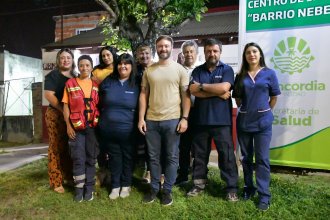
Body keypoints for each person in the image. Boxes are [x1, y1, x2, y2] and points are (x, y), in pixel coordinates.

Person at [138, 35, 190, 206]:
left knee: (171, 157)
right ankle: (154, 189)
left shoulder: (180, 70)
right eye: (160, 46)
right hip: (151, 121)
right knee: (153, 157)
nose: (163, 49)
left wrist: (184, 118)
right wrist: (141, 119)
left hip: (173, 120)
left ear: (171, 47)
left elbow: (186, 96)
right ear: (156, 48)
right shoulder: (149, 71)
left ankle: (167, 190)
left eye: (166, 46)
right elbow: (143, 95)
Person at [188, 38, 239, 202]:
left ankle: (231, 188)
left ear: (220, 52)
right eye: (209, 51)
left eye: (215, 51)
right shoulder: (197, 71)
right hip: (200, 121)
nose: (212, 54)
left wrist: (203, 87)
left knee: (227, 156)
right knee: (200, 155)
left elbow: (225, 88)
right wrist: (215, 91)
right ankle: (198, 184)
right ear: (204, 52)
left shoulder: (227, 69)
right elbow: (193, 90)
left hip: (222, 122)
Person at [233, 42, 281, 211]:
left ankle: (263, 195)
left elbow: (274, 97)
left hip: (263, 123)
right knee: (246, 158)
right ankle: (248, 188)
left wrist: (264, 111)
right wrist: (248, 109)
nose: (251, 55)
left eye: (254, 51)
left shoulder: (269, 74)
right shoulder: (240, 76)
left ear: (260, 54)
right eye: (248, 52)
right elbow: (237, 99)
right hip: (244, 122)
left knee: (262, 160)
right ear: (245, 57)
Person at [98, 53, 140, 200]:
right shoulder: (108, 81)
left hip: (129, 130)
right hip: (109, 130)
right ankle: (115, 186)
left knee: (128, 158)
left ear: (131, 66)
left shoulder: (137, 83)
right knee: (115, 158)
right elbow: (98, 101)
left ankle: (126, 185)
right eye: (120, 63)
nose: (123, 66)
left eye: (126, 63)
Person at [62, 55, 99, 202]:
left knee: (91, 158)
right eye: (81, 65)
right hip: (76, 128)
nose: (84, 68)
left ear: (91, 67)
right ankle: (79, 190)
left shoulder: (96, 85)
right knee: (78, 159)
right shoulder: (70, 83)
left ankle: (89, 189)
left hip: (92, 128)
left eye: (87, 65)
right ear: (78, 67)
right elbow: (65, 106)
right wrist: (68, 126)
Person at [44, 48, 75, 194]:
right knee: (55, 147)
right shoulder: (53, 76)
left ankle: (68, 176)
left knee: (68, 147)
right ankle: (56, 181)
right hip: (55, 115)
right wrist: (63, 111)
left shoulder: (75, 77)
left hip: (70, 117)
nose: (65, 60)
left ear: (72, 60)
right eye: (62, 58)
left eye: (68, 57)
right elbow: (49, 95)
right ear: (58, 60)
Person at [92, 46, 118, 187]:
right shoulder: (96, 70)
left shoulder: (120, 67)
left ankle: (114, 171)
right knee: (101, 142)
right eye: (103, 56)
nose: (106, 58)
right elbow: (93, 88)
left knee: (114, 142)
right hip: (100, 109)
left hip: (115, 110)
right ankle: (102, 170)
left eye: (108, 55)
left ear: (113, 55)